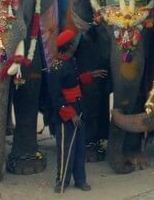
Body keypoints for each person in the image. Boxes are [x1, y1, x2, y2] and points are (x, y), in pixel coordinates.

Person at [48, 29, 107, 194]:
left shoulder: (71, 61)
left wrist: (90, 75)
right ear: (68, 47)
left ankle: (80, 179)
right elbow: (56, 97)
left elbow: (74, 81)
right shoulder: (56, 67)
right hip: (67, 115)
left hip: (79, 110)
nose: (75, 45)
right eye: (73, 43)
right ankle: (61, 181)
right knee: (66, 149)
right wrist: (70, 114)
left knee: (80, 148)